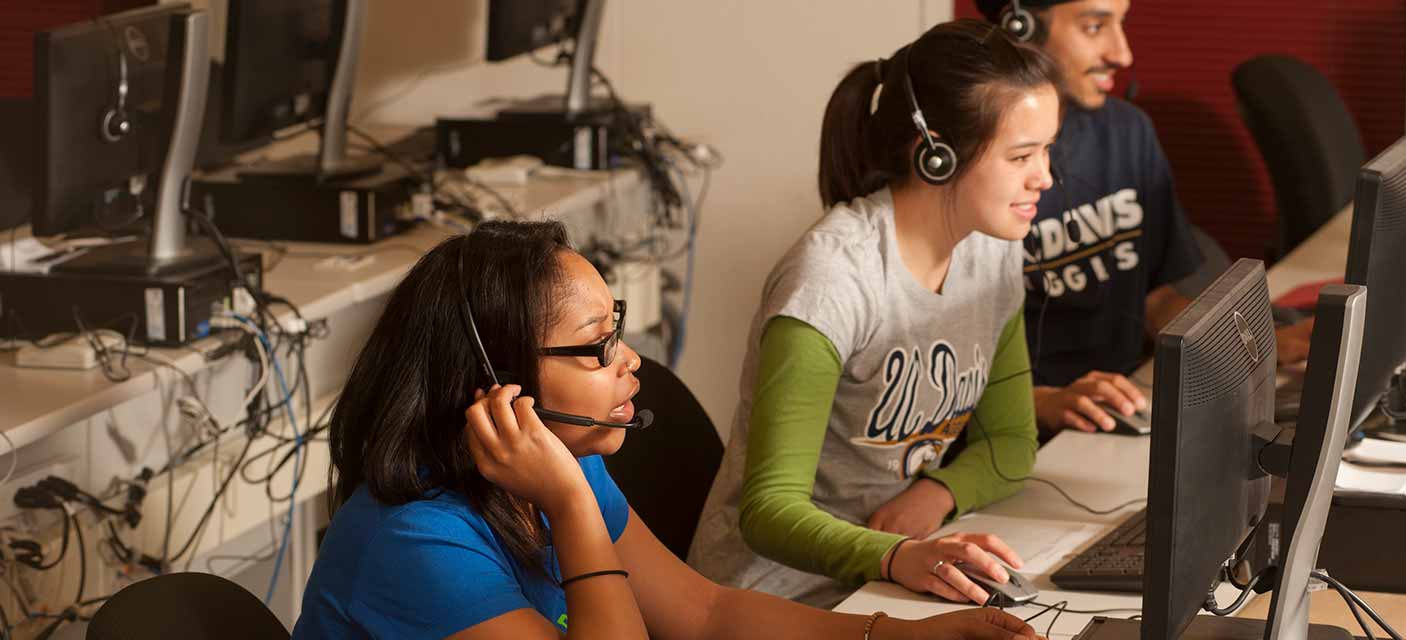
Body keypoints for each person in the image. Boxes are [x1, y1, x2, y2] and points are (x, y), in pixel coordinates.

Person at [292, 221, 1040, 639]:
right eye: (595, 347)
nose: (629, 360)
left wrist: (904, 638)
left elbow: (707, 612)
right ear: (493, 381)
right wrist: (574, 510)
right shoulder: (418, 540)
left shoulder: (559, 467)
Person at [688, 20, 1064, 608]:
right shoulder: (831, 281)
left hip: (893, 577)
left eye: (1046, 150)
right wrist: (894, 556)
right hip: (771, 599)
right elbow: (768, 510)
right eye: (1022, 155)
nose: (1045, 176)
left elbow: (1012, 443)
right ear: (936, 155)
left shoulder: (994, 254)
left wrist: (936, 494)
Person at [977, 0, 1314, 436]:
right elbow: (937, 362)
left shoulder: (1127, 131)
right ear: (1020, 28)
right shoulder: (981, 167)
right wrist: (1043, 400)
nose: (1122, 54)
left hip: (1128, 404)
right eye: (1095, 26)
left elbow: (1155, 300)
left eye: (1121, 23)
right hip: (1021, 430)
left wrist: (1246, 346)